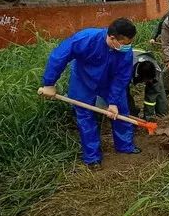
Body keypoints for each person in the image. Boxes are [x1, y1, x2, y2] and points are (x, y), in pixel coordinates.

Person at [40, 18, 139, 166]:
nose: (128, 47)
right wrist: (49, 83)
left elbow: (122, 77)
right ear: (112, 38)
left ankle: (125, 146)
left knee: (121, 112)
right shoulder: (86, 39)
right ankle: (92, 157)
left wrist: (112, 102)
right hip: (83, 81)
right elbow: (59, 56)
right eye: (125, 43)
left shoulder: (125, 52)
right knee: (85, 118)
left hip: (110, 82)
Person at [127, 49, 169, 120]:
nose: (149, 82)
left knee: (157, 88)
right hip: (131, 63)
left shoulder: (155, 70)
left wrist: (148, 117)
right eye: (147, 80)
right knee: (124, 94)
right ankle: (132, 112)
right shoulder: (127, 68)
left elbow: (151, 96)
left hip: (148, 67)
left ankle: (161, 113)